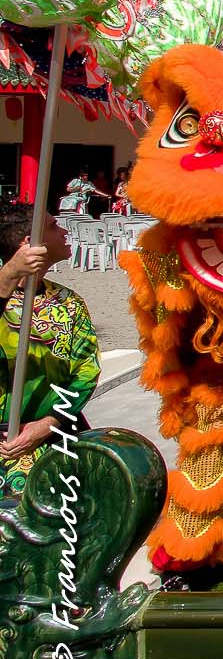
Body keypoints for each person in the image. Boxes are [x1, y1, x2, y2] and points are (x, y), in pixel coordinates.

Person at [0, 207, 97, 495]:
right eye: (54, 226)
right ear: (29, 244)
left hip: (57, 438)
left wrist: (49, 423)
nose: (65, 231)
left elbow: (86, 370)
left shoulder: (69, 302)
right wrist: (8, 276)